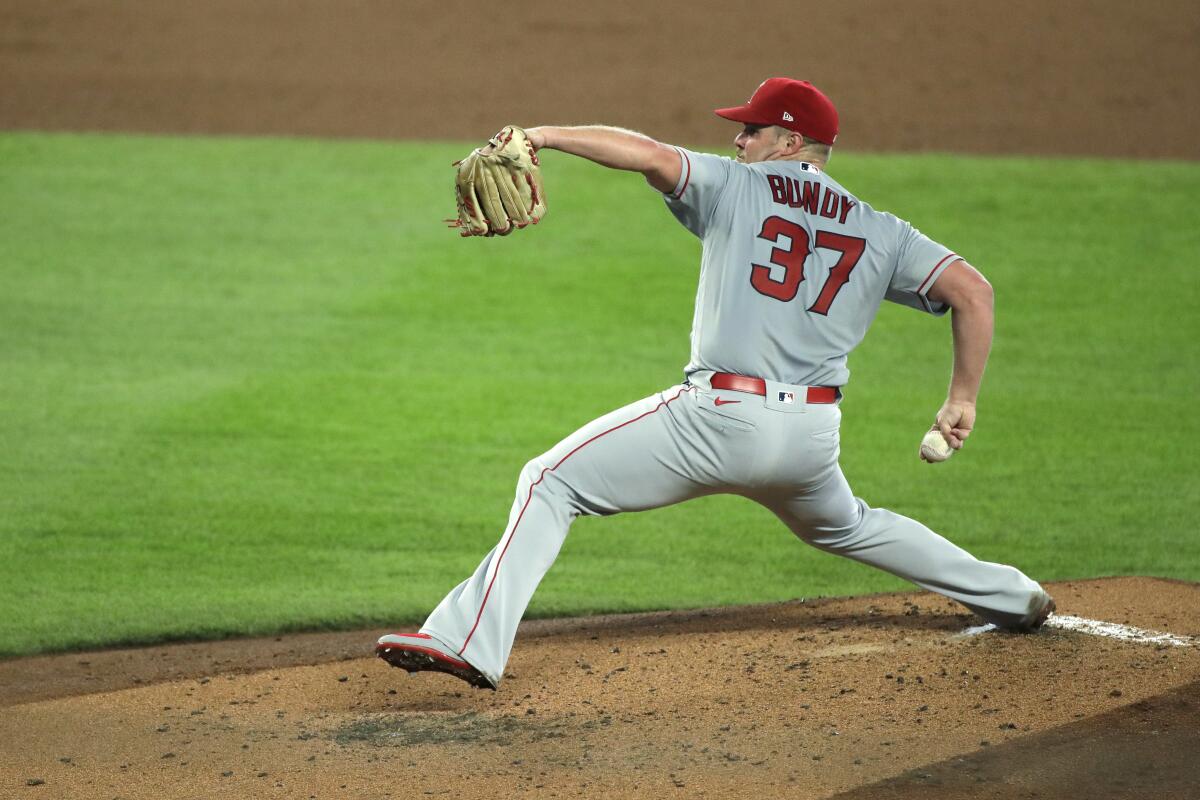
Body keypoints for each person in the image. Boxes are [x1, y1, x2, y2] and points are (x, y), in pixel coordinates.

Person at [377, 78, 1054, 690]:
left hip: (718, 419)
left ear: (792, 141)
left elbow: (645, 153)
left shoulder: (737, 184)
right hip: (810, 439)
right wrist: (960, 399)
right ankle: (1012, 595)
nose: (738, 139)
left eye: (752, 130)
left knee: (551, 481)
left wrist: (544, 136)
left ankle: (464, 640)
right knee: (849, 525)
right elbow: (974, 291)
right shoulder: (883, 229)